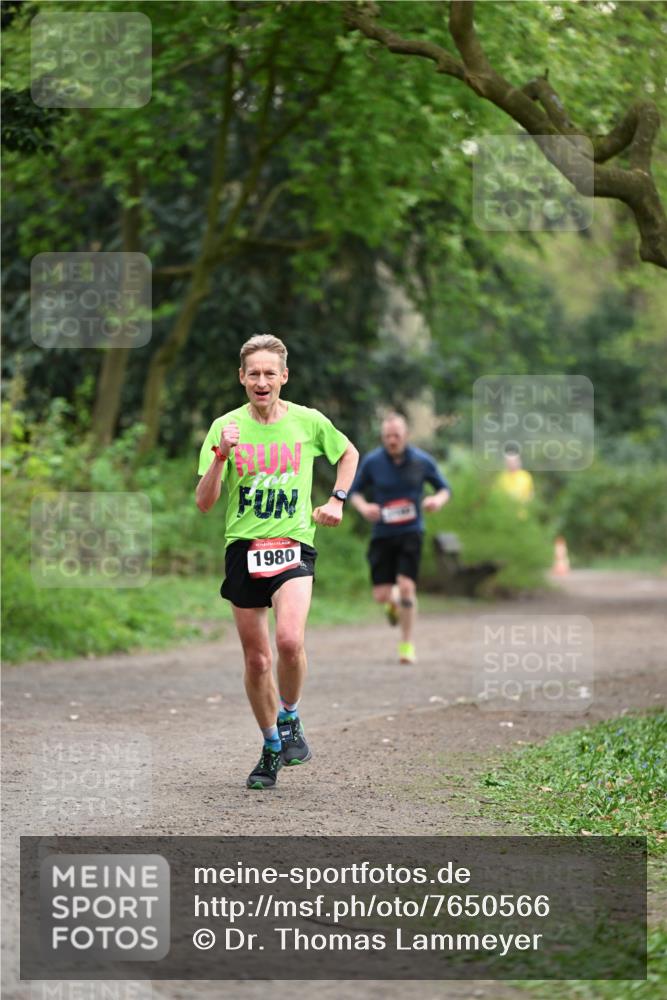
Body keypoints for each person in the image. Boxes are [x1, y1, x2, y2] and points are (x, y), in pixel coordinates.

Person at [196, 334, 358, 790]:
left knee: (288, 640)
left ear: (283, 377)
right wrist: (221, 456)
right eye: (254, 373)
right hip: (242, 549)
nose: (262, 381)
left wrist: (337, 499)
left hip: (293, 544)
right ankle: (271, 746)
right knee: (258, 661)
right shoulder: (223, 427)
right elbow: (205, 502)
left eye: (270, 373)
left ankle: (289, 717)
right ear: (242, 378)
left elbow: (348, 454)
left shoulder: (308, 422)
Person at [349, 413, 451, 664]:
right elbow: (354, 493)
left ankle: (406, 644)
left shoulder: (421, 461)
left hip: (411, 531)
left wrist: (436, 500)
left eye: (396, 436)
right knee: (381, 595)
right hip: (383, 534)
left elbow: (444, 488)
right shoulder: (373, 462)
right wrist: (364, 508)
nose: (392, 440)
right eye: (387, 436)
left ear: (406, 436)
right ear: (382, 437)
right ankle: (392, 603)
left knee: (407, 587)